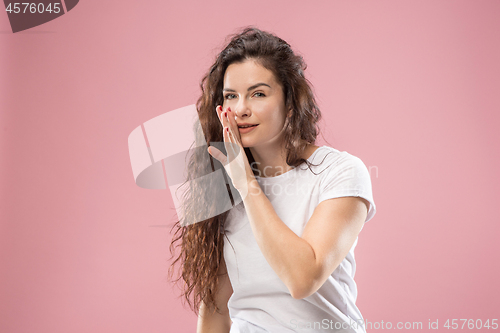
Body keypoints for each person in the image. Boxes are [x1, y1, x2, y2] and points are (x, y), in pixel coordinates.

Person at [169, 26, 376, 333]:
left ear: (290, 104)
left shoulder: (341, 172)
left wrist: (247, 184)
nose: (241, 109)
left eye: (258, 94)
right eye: (231, 96)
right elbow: (215, 312)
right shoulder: (219, 184)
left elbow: (302, 278)